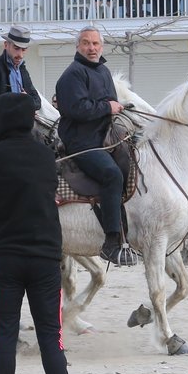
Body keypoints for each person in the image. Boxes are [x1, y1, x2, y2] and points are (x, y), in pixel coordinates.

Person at [0, 93, 97, 374]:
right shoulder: (45, 156)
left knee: (4, 339)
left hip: (4, 260)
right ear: (29, 120)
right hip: (44, 259)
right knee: (51, 338)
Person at [55, 27, 134, 267]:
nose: (92, 48)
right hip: (82, 143)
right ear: (78, 46)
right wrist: (108, 108)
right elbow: (77, 109)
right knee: (111, 175)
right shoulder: (72, 75)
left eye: (96, 44)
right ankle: (111, 242)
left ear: (102, 46)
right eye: (86, 44)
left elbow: (108, 102)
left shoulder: (103, 70)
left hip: (104, 138)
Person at [0, 26, 41, 123]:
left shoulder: (22, 69)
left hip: (20, 125)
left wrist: (27, 102)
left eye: (24, 50)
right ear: (6, 45)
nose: (20, 55)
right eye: (16, 48)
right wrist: (20, 103)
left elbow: (37, 101)